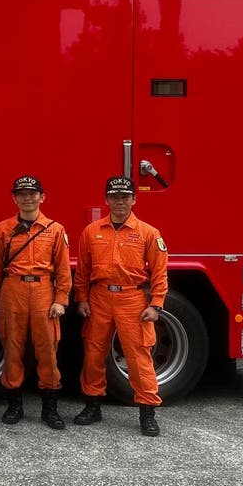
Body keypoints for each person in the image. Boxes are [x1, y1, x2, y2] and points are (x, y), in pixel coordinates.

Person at [73, 176, 168, 437]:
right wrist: (81, 298)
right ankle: (92, 405)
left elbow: (160, 273)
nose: (119, 202)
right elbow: (83, 270)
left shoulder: (148, 233)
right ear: (106, 199)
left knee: (138, 357)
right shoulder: (92, 231)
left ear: (134, 199)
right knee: (93, 354)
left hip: (132, 300)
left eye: (125, 197)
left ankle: (147, 411)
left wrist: (156, 305)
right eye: (114, 197)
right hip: (99, 298)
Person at [0, 175, 71, 430]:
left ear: (42, 197)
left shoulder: (55, 229)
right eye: (21, 193)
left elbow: (63, 270)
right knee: (12, 348)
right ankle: (14, 405)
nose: (27, 197)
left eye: (32, 193)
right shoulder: (2, 229)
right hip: (13, 290)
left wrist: (61, 300)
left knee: (48, 350)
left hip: (44, 290)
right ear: (14, 198)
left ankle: (50, 408)